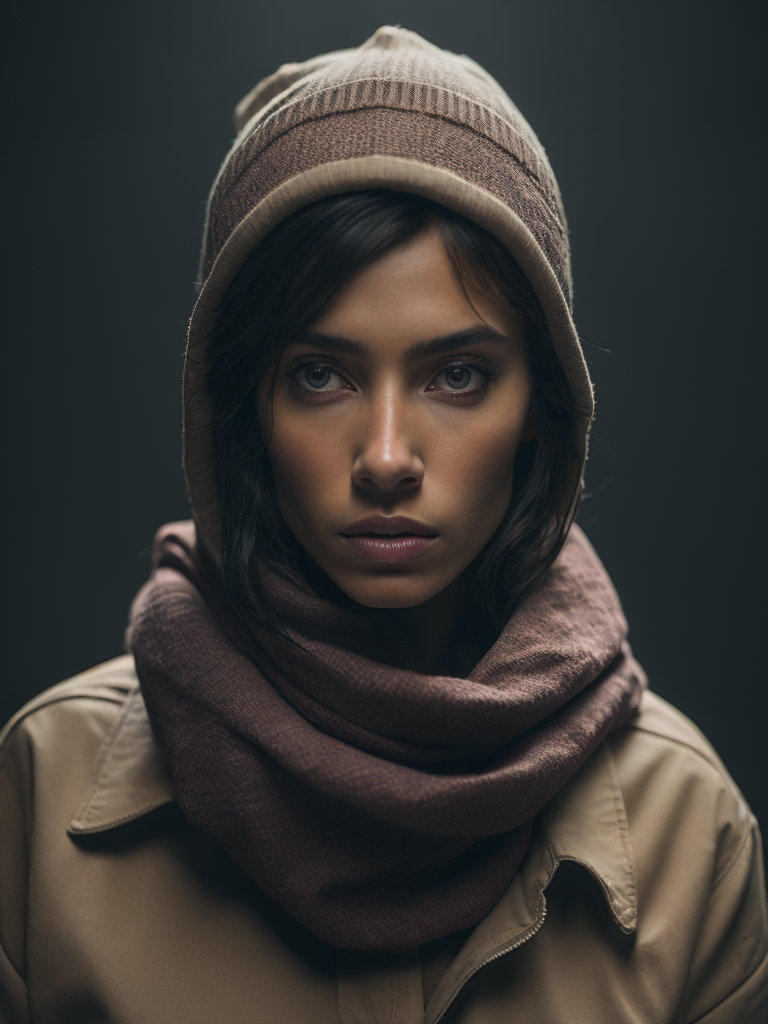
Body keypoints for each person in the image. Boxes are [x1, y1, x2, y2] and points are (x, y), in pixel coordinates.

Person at [1, 25, 766, 1024]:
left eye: (460, 374)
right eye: (321, 375)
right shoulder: (41, 795)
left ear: (544, 406)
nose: (389, 457)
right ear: (241, 406)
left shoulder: (688, 834)